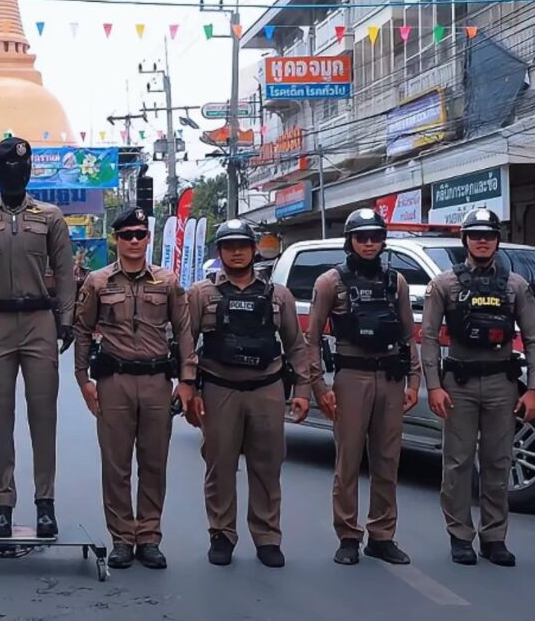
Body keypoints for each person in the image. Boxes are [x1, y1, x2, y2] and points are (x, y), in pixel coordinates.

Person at [0, 137, 75, 538]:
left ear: (29, 171)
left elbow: (65, 271)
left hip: (40, 320)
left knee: (44, 416)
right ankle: (2, 503)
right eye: (6, 168)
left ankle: (46, 503)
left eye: (21, 168)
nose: (14, 174)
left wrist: (67, 318)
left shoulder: (50, 216)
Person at [73, 207, 196, 570]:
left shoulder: (168, 282)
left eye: (139, 234)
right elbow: (82, 331)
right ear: (116, 239)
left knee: (154, 463)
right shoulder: (97, 282)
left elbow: (185, 331)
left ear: (147, 238)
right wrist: (83, 380)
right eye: (126, 235)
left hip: (158, 381)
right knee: (116, 465)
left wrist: (187, 380)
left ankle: (150, 537)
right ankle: (122, 538)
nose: (133, 241)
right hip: (115, 382)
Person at [187, 219, 313, 568]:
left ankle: (267, 536)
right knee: (219, 465)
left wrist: (302, 389)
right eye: (229, 246)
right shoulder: (201, 294)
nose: (237, 251)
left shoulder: (278, 295)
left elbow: (296, 346)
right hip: (219, 387)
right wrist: (189, 389)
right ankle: (222, 534)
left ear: (254, 249)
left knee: (267, 465)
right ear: (220, 251)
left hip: (267, 388)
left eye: (243, 245)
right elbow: (185, 345)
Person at [421, 207, 535, 567]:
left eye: (488, 235)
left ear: (497, 240)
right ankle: (460, 536)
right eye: (475, 235)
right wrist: (435, 387)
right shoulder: (444, 284)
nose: (482, 241)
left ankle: (494, 537)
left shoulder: (516, 286)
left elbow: (532, 339)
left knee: (498, 462)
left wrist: (532, 389)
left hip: (503, 384)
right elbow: (426, 338)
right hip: (459, 384)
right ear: (466, 240)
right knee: (457, 462)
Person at [306, 209, 419, 566]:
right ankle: (348, 535)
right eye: (362, 238)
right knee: (349, 460)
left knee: (387, 460)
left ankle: (382, 535)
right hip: (350, 377)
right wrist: (318, 386)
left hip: (390, 377)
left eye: (375, 237)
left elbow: (406, 334)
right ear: (350, 241)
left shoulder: (395, 282)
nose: (369, 244)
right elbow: (312, 339)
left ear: (383, 241)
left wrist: (414, 380)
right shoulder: (330, 282)